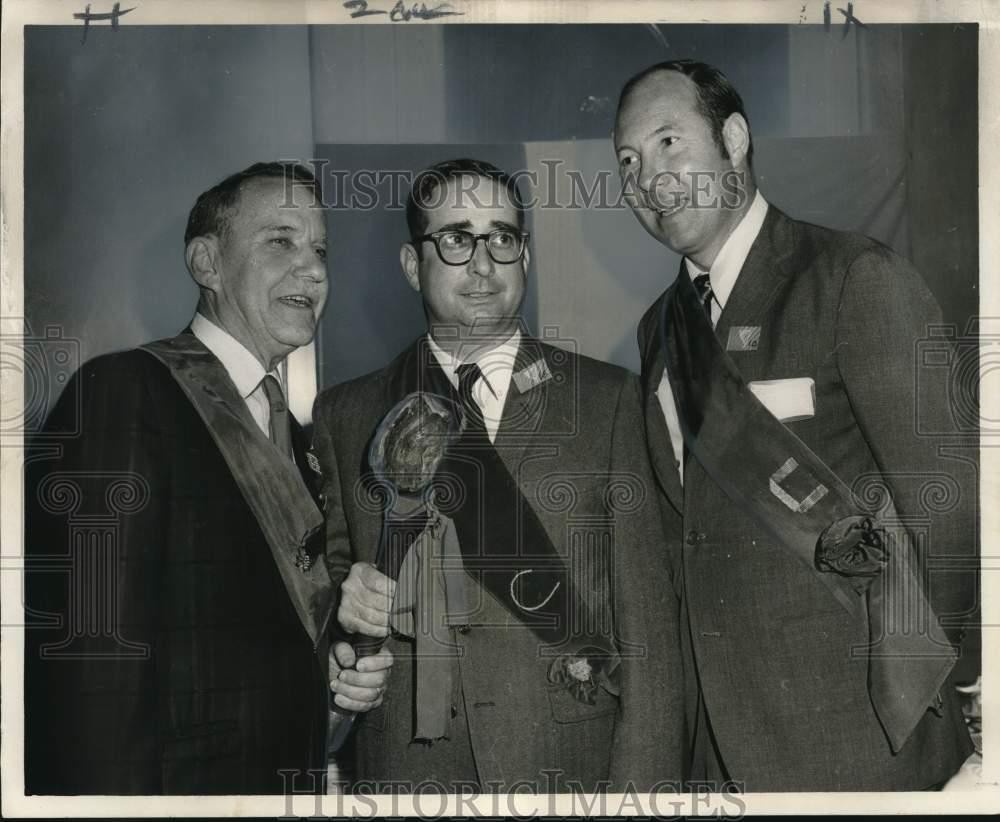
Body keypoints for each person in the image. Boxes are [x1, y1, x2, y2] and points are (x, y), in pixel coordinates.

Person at [613, 60, 978, 791]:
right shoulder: (660, 329)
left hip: (857, 734)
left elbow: (952, 506)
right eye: (628, 162)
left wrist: (932, 683)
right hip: (715, 749)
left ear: (735, 139)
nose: (650, 179)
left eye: (668, 143)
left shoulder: (851, 278)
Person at [311, 158, 685, 793]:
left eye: (503, 238)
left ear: (526, 260)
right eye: (456, 239)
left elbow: (649, 626)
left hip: (568, 766)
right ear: (411, 265)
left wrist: (643, 793)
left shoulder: (606, 401)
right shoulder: (346, 413)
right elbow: (330, 594)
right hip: (408, 770)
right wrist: (344, 621)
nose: (483, 264)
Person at [24, 162, 390, 795]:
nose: (314, 269)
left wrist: (337, 689)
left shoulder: (303, 442)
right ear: (207, 264)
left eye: (321, 249)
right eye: (281, 241)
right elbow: (92, 665)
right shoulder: (124, 394)